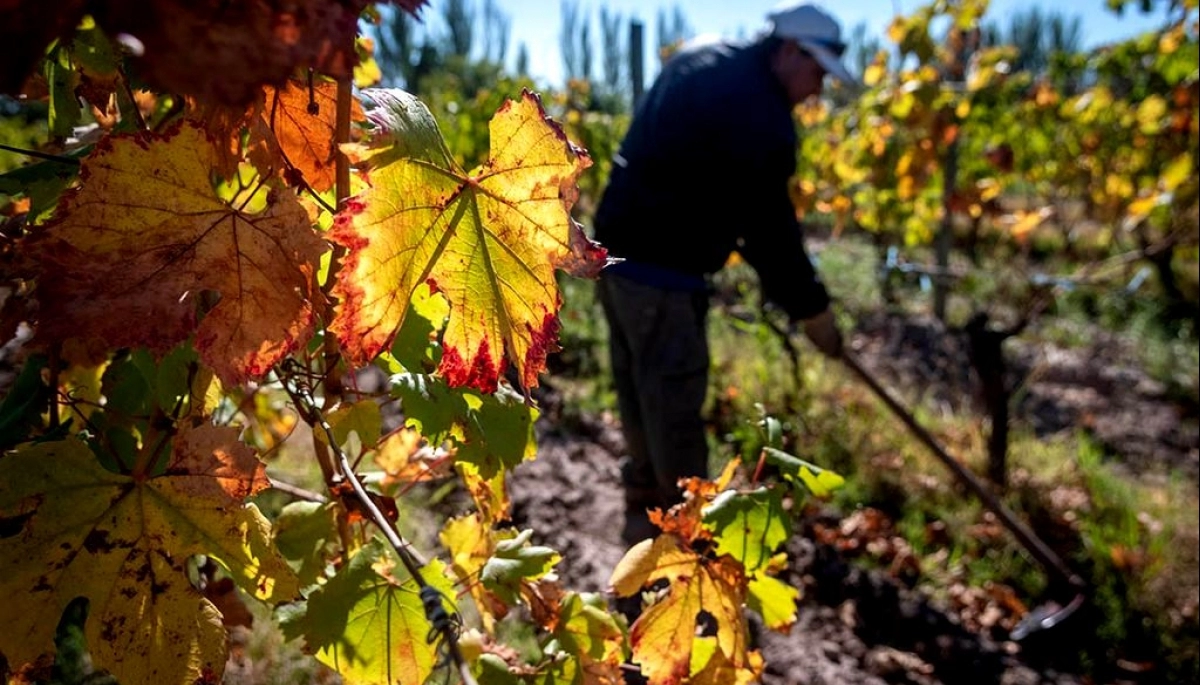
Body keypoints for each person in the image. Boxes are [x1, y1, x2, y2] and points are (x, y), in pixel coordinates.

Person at [593, 2, 854, 523]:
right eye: (817, 72)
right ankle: (689, 543)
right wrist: (814, 312)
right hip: (663, 274)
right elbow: (769, 233)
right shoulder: (760, 112)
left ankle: (642, 519)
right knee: (673, 413)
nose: (818, 90)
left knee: (639, 396)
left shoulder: (703, 55)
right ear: (788, 51)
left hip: (614, 257)